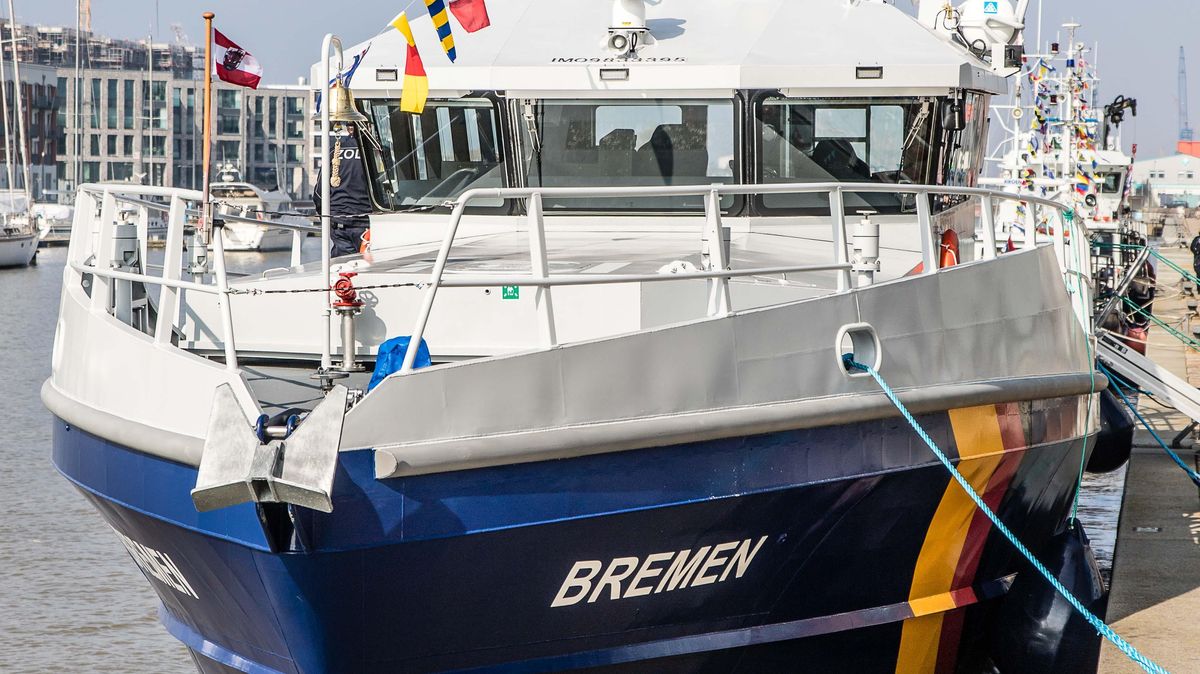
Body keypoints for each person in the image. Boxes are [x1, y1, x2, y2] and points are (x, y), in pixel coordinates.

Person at [313, 121, 373, 258]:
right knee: (371, 272)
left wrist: (328, 218)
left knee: (341, 271)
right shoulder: (375, 152)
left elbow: (319, 194)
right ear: (368, 124)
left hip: (338, 224)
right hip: (367, 225)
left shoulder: (334, 152)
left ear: (348, 126)